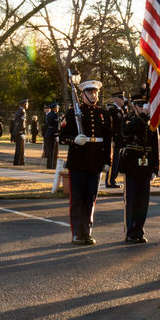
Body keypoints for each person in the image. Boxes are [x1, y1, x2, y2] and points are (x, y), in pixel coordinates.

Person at [60, 80, 112, 245]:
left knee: (91, 199)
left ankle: (87, 232)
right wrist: (74, 140)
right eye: (89, 93)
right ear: (82, 95)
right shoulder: (73, 113)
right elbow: (62, 137)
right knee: (77, 199)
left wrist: (107, 161)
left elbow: (107, 139)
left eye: (95, 92)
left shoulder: (103, 114)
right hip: (78, 161)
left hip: (96, 161)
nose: (93, 95)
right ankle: (77, 233)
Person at [119, 97, 159, 244]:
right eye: (141, 106)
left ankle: (139, 230)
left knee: (143, 200)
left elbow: (155, 145)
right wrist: (142, 116)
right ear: (134, 107)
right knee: (131, 200)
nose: (144, 108)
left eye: (145, 106)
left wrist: (155, 168)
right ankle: (130, 231)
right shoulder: (128, 119)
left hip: (146, 164)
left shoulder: (152, 122)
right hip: (131, 164)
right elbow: (127, 132)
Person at [105, 91, 126, 189]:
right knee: (113, 161)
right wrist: (112, 139)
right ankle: (110, 181)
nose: (123, 100)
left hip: (120, 140)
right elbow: (110, 127)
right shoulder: (112, 110)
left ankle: (113, 179)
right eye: (122, 99)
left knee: (117, 161)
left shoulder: (120, 110)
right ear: (117, 99)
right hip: (114, 140)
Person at [10, 99, 28, 166]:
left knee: (18, 148)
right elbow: (20, 123)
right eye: (26, 104)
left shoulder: (18, 111)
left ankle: (16, 161)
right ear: (23, 104)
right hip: (19, 132)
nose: (27, 105)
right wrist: (21, 132)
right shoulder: (22, 111)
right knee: (20, 148)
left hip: (16, 131)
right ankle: (18, 161)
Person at [44, 102, 60, 169]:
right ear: (55, 108)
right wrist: (56, 134)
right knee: (53, 151)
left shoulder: (48, 114)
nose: (58, 108)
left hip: (49, 133)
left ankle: (49, 165)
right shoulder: (55, 115)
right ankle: (52, 165)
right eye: (57, 107)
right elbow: (55, 126)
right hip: (53, 134)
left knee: (50, 150)